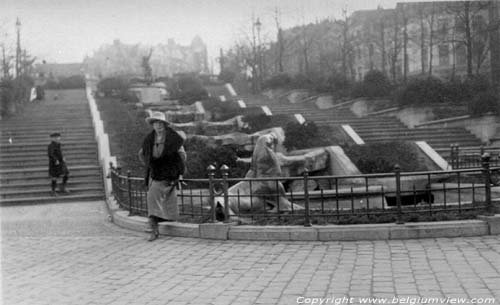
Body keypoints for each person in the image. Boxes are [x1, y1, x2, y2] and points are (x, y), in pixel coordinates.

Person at [138, 111, 186, 241]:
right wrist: (149, 165)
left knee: (163, 200)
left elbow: (182, 156)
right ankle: (153, 229)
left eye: (161, 123)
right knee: (152, 197)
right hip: (156, 173)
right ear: (152, 125)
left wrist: (179, 173)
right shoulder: (149, 139)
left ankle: (154, 225)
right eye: (155, 123)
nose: (158, 126)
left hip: (170, 173)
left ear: (165, 125)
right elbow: (142, 154)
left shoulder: (173, 138)